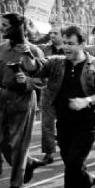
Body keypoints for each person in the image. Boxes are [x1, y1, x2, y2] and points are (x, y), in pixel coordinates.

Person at [33, 25, 95, 188]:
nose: (66, 47)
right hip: (64, 122)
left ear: (82, 44)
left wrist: (86, 101)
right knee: (70, 161)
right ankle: (87, 179)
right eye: (64, 43)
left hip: (87, 123)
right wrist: (26, 52)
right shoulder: (56, 63)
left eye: (71, 44)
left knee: (73, 163)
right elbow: (35, 68)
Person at [0, 13, 44, 188]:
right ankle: (29, 163)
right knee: (0, 140)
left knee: (19, 144)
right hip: (2, 97)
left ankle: (15, 184)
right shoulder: (0, 49)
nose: (1, 28)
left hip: (22, 99)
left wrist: (26, 81)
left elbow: (41, 81)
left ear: (18, 27)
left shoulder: (33, 50)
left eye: (5, 25)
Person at [39, 25, 65, 165]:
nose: (52, 35)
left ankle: (67, 148)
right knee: (47, 123)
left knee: (65, 123)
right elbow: (32, 44)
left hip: (65, 91)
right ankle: (49, 152)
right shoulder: (44, 49)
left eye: (56, 33)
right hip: (48, 90)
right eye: (51, 33)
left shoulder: (69, 49)